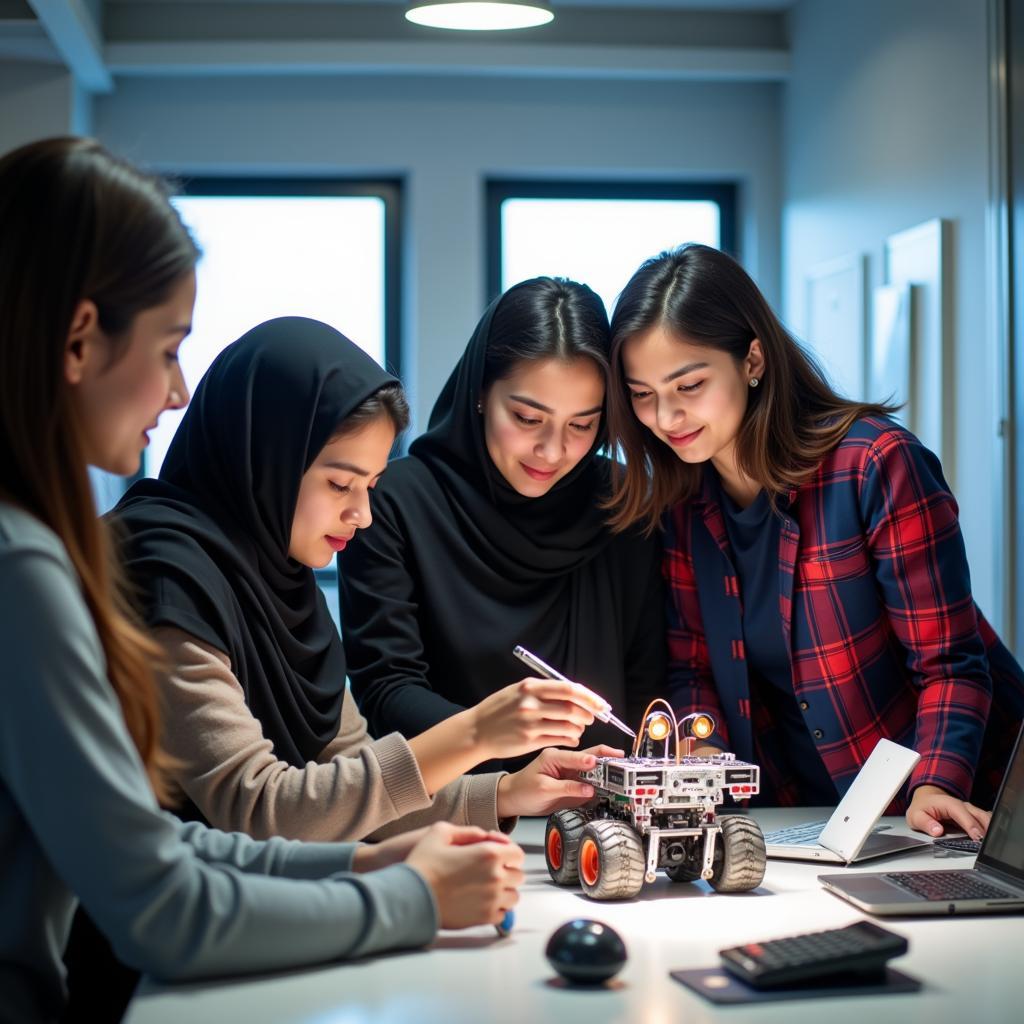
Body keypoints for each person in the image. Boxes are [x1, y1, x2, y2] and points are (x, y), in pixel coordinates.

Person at [0, 136, 522, 1024]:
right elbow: (172, 889)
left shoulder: (74, 549)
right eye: (168, 348)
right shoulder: (54, 565)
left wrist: (377, 858)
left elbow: (167, 842)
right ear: (81, 339)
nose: (175, 392)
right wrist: (412, 898)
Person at [112, 315, 614, 842]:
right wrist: (477, 733)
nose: (363, 514)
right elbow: (260, 805)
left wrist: (506, 791)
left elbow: (351, 780)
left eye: (371, 485)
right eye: (339, 484)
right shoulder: (164, 576)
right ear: (266, 460)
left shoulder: (277, 577)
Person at [603, 242, 1024, 839]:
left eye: (690, 385)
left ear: (752, 360)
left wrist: (937, 780)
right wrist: (703, 758)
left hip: (946, 811)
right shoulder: (681, 504)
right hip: (800, 818)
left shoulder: (876, 464)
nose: (666, 418)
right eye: (642, 395)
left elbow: (950, 662)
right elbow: (692, 667)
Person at [338, 277, 668, 770]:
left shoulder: (626, 502)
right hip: (451, 809)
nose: (553, 451)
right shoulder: (393, 502)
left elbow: (650, 690)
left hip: (603, 811)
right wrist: (504, 763)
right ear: (479, 394)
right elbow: (386, 693)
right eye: (527, 417)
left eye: (582, 425)